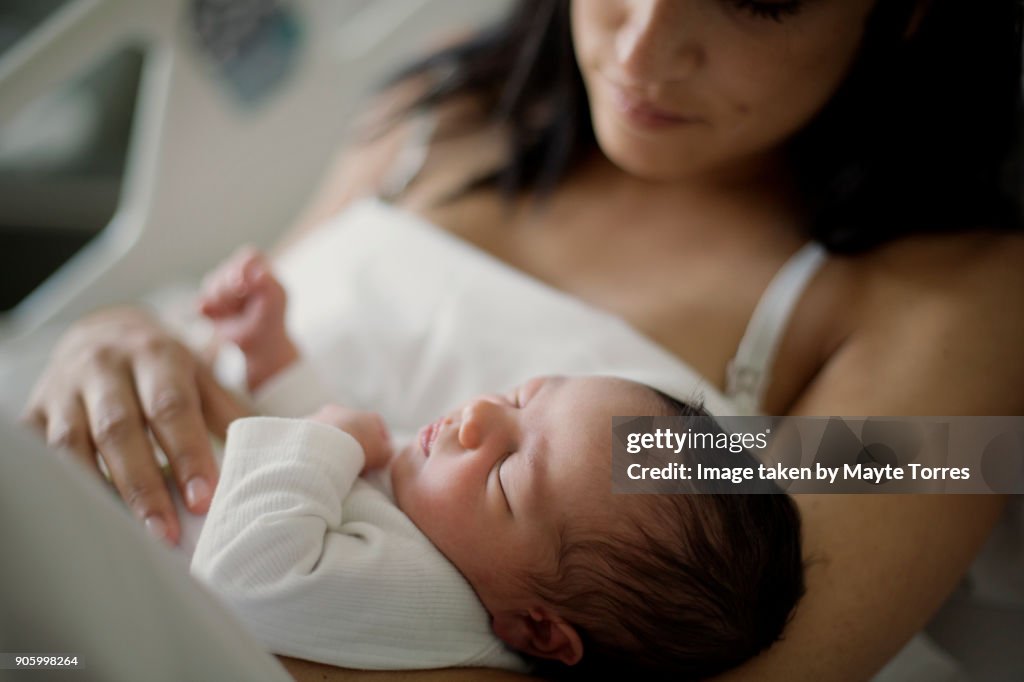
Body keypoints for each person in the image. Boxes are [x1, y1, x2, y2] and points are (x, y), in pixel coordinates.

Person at [21, 1, 1022, 680]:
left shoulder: (930, 297)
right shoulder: (444, 117)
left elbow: (697, 638)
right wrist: (119, 343)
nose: (637, 52)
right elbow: (227, 350)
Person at [191, 247, 805, 679]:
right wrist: (271, 358)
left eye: (506, 472)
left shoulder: (428, 596)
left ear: (536, 629)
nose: (478, 414)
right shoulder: (445, 517)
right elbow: (339, 483)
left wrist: (325, 436)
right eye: (521, 398)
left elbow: (244, 575)